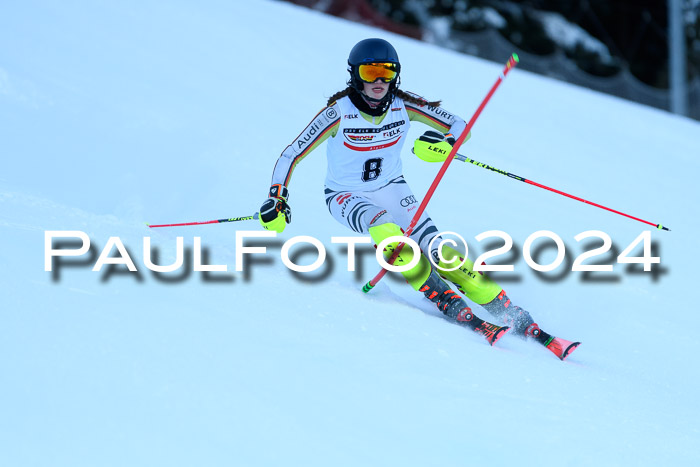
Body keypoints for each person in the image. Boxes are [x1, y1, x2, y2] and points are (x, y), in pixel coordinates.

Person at [258, 38, 575, 355]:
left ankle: (509, 312)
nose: (379, 81)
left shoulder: (404, 104)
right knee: (387, 232)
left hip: (393, 188)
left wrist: (448, 142)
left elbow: (458, 124)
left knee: (441, 251)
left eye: (387, 72)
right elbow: (291, 154)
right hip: (346, 194)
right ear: (355, 75)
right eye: (371, 72)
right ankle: (441, 295)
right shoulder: (337, 113)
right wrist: (277, 197)